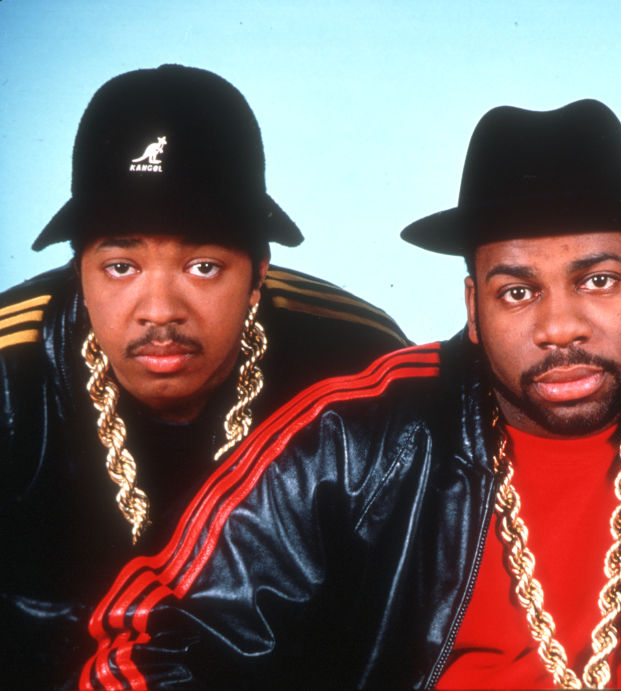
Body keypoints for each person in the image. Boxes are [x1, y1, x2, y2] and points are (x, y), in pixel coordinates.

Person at [79, 99, 621, 689]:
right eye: (517, 290)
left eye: (597, 280)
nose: (560, 326)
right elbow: (151, 640)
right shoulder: (357, 435)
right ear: (472, 307)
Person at [0, 64, 408, 689]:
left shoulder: (357, 361)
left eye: (203, 265)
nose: (159, 310)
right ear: (78, 267)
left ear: (258, 274)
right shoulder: (11, 369)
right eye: (119, 266)